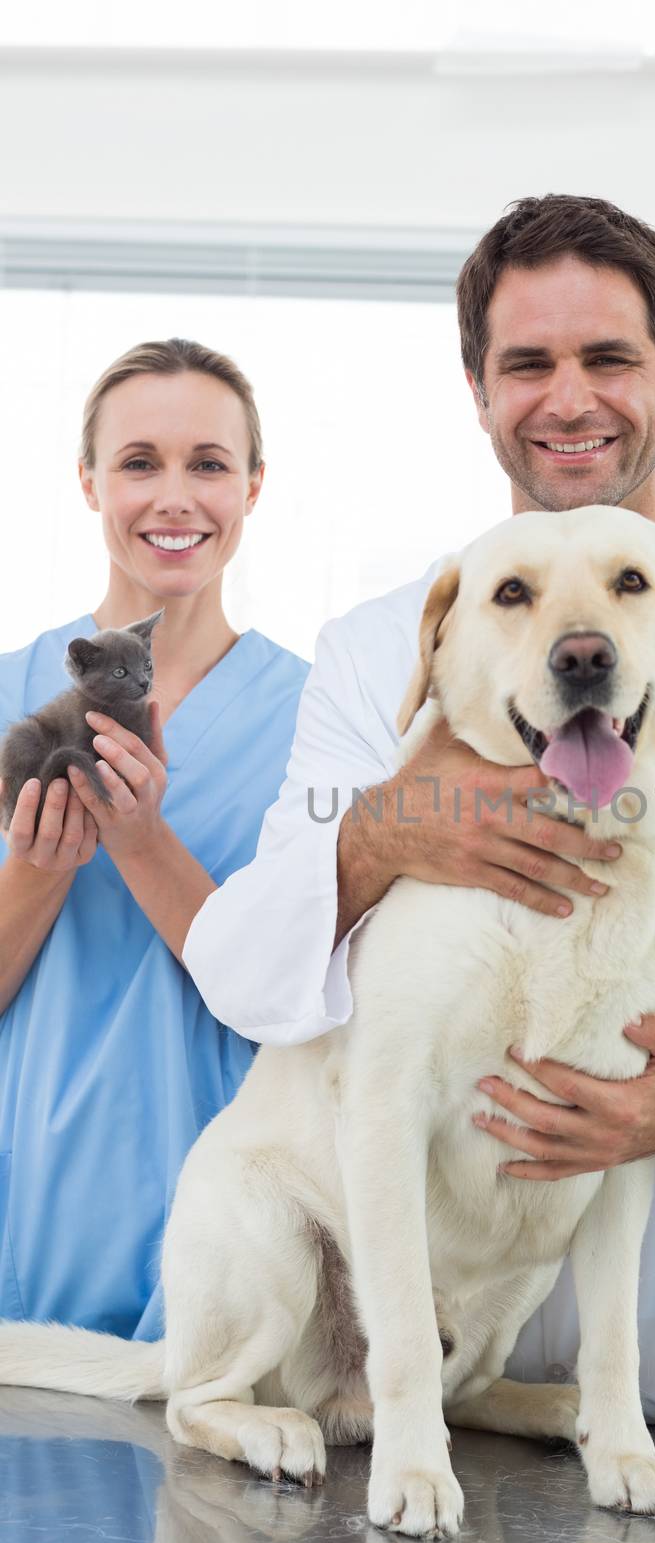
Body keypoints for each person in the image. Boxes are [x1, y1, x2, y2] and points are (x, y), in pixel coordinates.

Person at [182, 197, 655, 1447]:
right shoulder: (385, 646)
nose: (570, 399)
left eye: (609, 359)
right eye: (527, 364)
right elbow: (241, 965)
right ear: (478, 391)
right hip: (460, 1359)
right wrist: (377, 836)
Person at [0, 339, 309, 1342]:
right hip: (27, 1199)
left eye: (208, 464)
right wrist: (38, 875)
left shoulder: (318, 718)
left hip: (228, 1205)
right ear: (88, 481)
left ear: (254, 487)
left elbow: (305, 998)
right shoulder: (9, 695)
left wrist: (139, 842)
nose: (174, 497)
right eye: (139, 462)